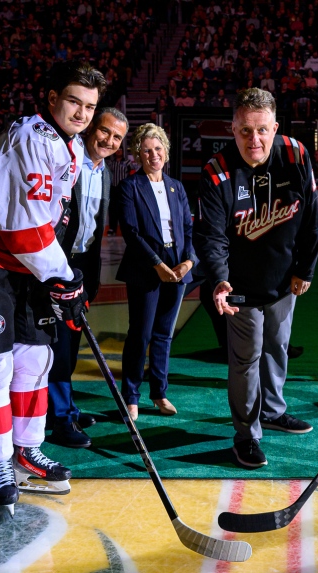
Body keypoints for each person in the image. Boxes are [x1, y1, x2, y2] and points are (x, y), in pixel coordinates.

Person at [0, 60, 106, 514]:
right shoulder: (30, 139)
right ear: (52, 97)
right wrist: (63, 277)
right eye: (74, 101)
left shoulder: (70, 146)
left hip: (25, 262)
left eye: (90, 106)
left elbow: (49, 226)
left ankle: (27, 450)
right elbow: (24, 231)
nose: (82, 113)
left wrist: (61, 275)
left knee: (35, 357)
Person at [193, 88, 318, 469]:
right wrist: (218, 280)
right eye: (245, 130)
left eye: (262, 130)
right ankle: (246, 435)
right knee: (246, 360)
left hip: (284, 280)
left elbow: (311, 217)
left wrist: (306, 268)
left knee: (277, 347)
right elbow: (211, 235)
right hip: (239, 285)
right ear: (232, 129)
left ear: (275, 127)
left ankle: (273, 410)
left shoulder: (296, 155)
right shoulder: (217, 171)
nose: (255, 140)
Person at [46, 107, 130, 448]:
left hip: (84, 266)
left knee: (70, 341)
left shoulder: (105, 171)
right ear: (91, 128)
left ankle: (64, 408)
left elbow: (95, 227)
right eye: (105, 132)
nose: (109, 141)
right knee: (57, 346)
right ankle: (60, 418)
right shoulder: (67, 159)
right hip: (56, 263)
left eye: (117, 138)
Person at [116, 123, 197, 421]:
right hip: (146, 269)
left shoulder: (177, 187)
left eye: (158, 149)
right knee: (140, 334)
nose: (154, 155)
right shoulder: (129, 187)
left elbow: (189, 229)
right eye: (147, 150)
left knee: (164, 335)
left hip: (178, 268)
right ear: (138, 154)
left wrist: (189, 261)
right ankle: (131, 395)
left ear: (166, 151)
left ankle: (159, 393)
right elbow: (131, 232)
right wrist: (157, 265)